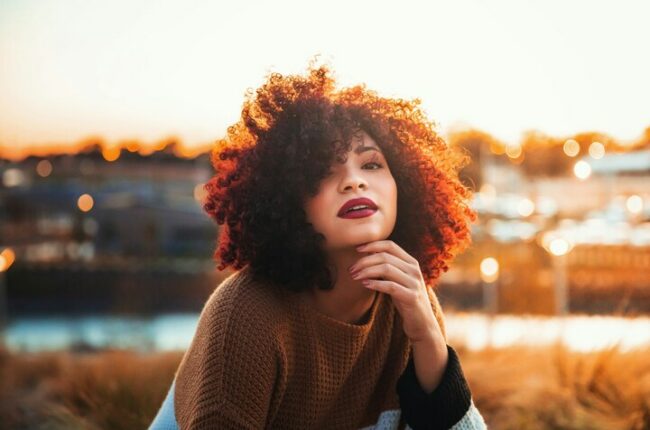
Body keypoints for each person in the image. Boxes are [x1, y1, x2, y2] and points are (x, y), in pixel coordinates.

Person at [149, 59, 487, 429]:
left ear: (403, 185)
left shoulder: (409, 298)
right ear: (286, 200)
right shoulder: (247, 314)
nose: (354, 182)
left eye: (371, 164)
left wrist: (427, 339)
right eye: (323, 171)